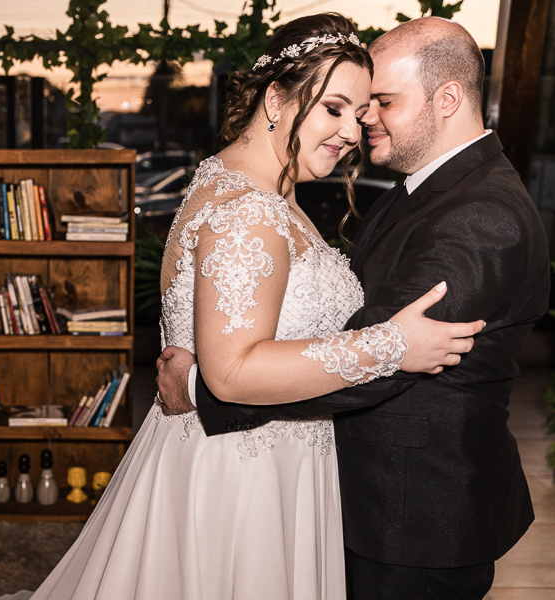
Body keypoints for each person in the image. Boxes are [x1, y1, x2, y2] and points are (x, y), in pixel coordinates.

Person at [28, 13, 483, 600]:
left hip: (263, 453)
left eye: (360, 110)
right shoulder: (250, 210)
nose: (351, 131)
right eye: (334, 108)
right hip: (244, 474)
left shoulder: (235, 182)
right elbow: (233, 371)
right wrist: (394, 345)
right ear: (276, 97)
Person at [157, 16, 549, 600]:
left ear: (447, 99)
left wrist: (206, 384)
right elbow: (362, 333)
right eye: (346, 107)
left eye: (380, 102)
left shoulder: (480, 215)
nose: (362, 122)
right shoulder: (415, 192)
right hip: (346, 493)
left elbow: (378, 365)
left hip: (416, 514)